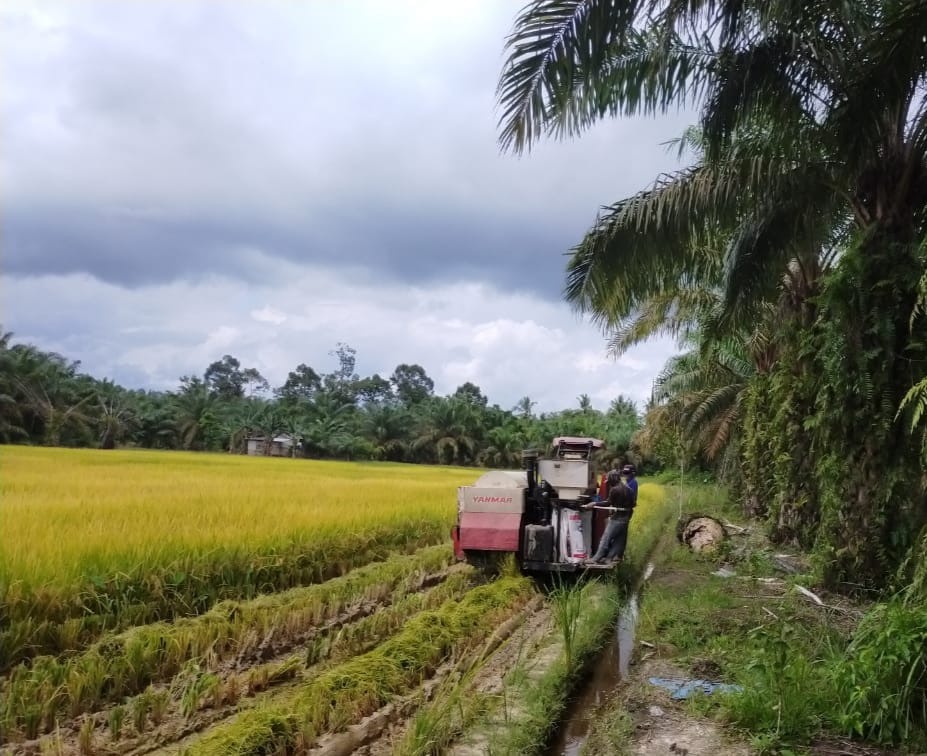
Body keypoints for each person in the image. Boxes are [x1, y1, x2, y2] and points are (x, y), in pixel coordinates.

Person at [584, 469, 635, 564]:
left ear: (612, 479)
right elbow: (633, 504)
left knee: (605, 539)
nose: (609, 483)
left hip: (617, 518)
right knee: (619, 540)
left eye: (609, 481)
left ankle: (595, 559)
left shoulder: (614, 489)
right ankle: (609, 558)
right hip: (626, 518)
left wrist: (594, 503)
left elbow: (608, 502)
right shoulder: (629, 489)